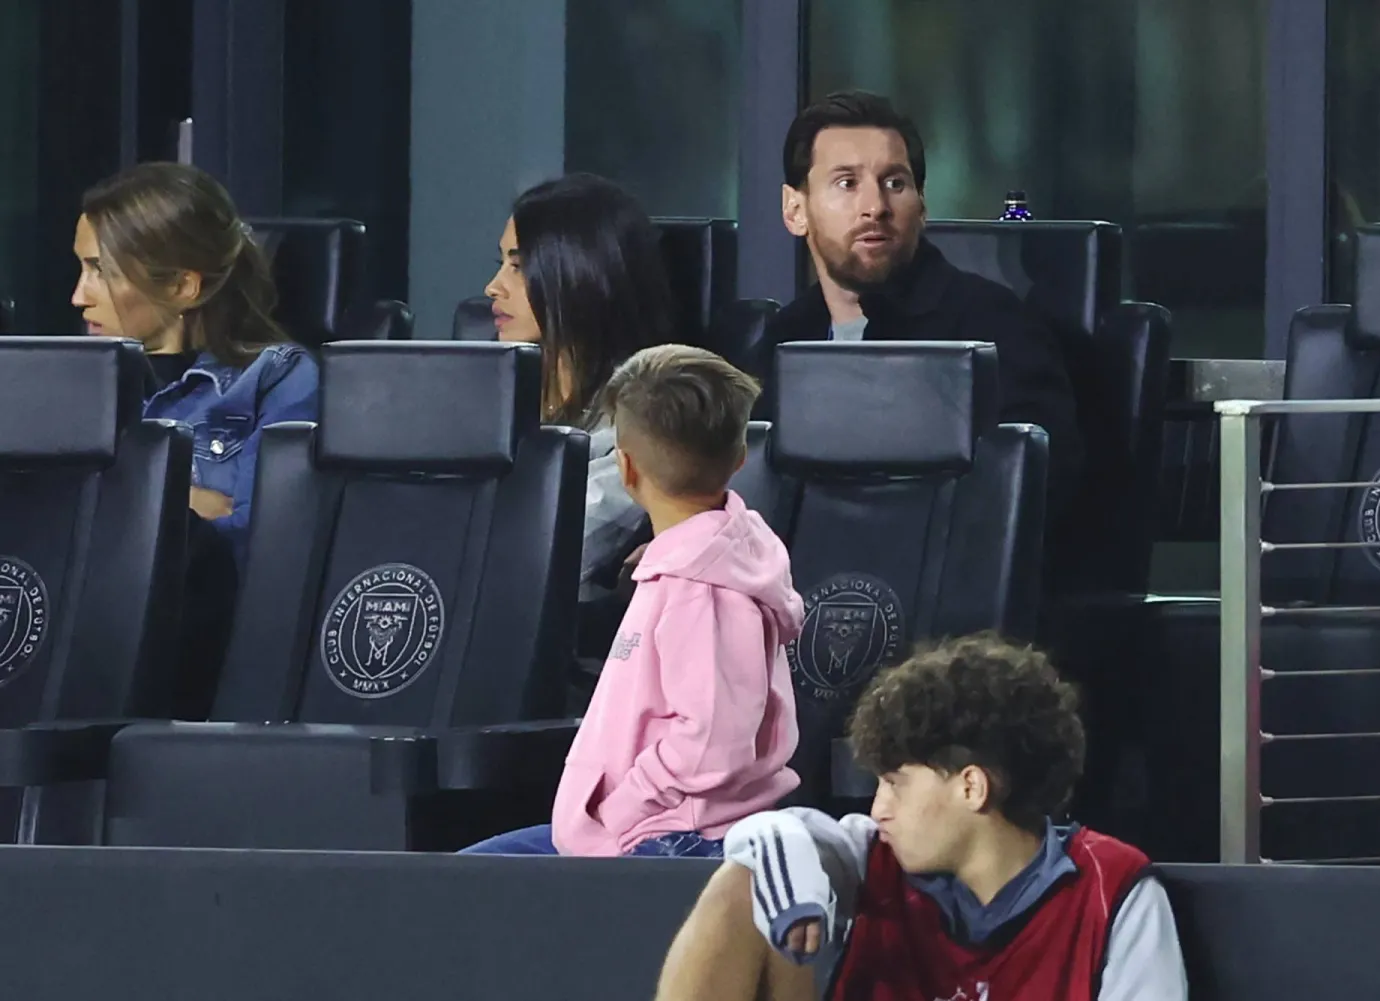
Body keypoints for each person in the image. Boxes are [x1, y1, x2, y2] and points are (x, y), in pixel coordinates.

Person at [655, 632, 1188, 1001]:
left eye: (894, 783)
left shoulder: (1114, 892)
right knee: (744, 883)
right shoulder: (869, 858)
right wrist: (784, 870)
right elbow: (774, 834)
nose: (878, 808)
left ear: (971, 787)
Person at [460, 345, 804, 858]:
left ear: (625, 466)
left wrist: (620, 808)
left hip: (674, 837)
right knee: (466, 878)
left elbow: (714, 746)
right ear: (739, 457)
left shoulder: (705, 588)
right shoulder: (695, 564)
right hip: (630, 829)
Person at [765, 90, 1083, 535]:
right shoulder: (783, 337)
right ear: (795, 210)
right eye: (847, 183)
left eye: (895, 183)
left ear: (922, 206)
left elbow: (1036, 493)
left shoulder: (992, 327)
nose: (875, 206)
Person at [72, 162, 319, 564]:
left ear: (182, 286)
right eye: (82, 268)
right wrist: (181, 500)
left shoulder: (275, 378)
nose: (79, 297)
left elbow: (259, 546)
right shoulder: (70, 380)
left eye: (100, 271)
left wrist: (108, 494)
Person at [482, 173, 678, 595]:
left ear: (577, 273)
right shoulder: (491, 394)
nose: (493, 287)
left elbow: (549, 550)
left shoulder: (646, 414)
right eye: (500, 264)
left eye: (518, 267)